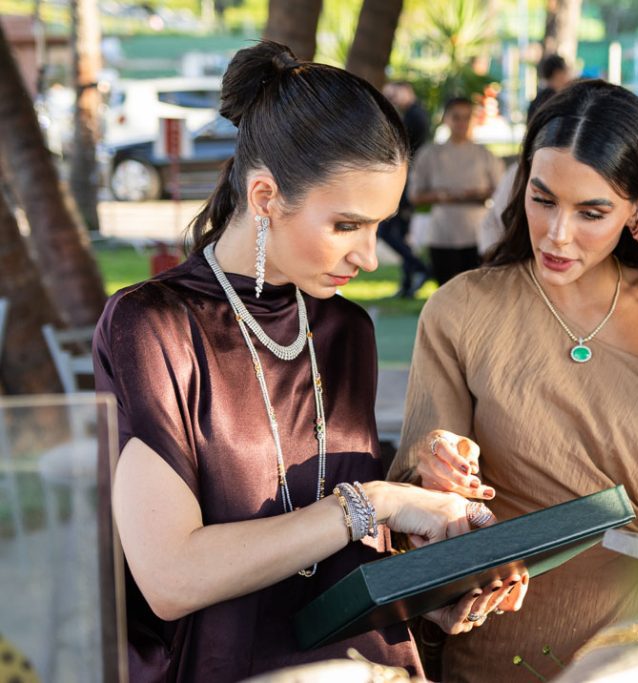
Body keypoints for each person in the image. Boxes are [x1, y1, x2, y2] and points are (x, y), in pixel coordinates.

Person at [92, 42, 524, 683]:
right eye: (348, 225)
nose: (370, 258)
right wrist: (374, 501)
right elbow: (171, 577)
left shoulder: (346, 329)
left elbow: (343, 561)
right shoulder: (154, 325)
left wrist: (429, 590)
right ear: (265, 196)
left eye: (380, 226)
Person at [390, 79, 638, 683]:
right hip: (501, 640)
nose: (557, 234)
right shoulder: (460, 309)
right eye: (542, 199)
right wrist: (437, 465)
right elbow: (421, 496)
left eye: (591, 212)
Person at [408, 96, 504, 286]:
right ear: (446, 119)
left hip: (477, 233)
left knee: (477, 292)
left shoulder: (485, 155)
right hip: (443, 232)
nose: (461, 123)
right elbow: (414, 195)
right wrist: (444, 195)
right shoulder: (430, 154)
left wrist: (478, 193)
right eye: (456, 117)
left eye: (466, 117)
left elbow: (501, 192)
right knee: (446, 290)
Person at [379, 81, 430, 298]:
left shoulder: (414, 116)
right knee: (399, 234)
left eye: (394, 94)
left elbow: (400, 148)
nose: (392, 99)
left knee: (388, 232)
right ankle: (408, 283)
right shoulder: (412, 114)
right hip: (405, 183)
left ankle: (422, 269)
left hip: (406, 186)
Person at [527, 54, 572, 121]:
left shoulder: (537, 99)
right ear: (558, 73)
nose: (569, 77)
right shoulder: (558, 100)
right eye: (566, 71)